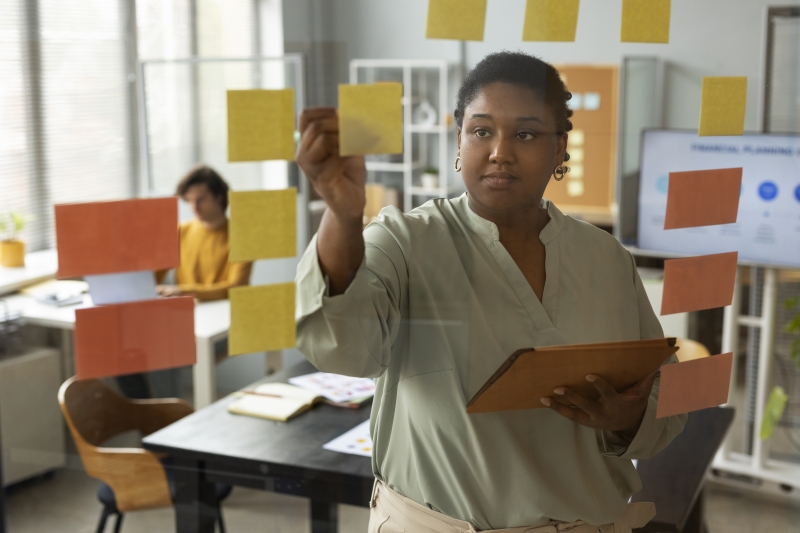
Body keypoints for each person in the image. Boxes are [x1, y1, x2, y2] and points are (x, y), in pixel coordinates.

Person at [294, 52, 686, 533]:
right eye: (481, 131)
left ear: (560, 148)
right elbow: (341, 349)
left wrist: (628, 417)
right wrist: (342, 214)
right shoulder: (403, 241)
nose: (500, 150)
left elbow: (665, 396)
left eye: (525, 133)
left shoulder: (605, 259)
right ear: (458, 140)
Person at [157, 165, 252, 301]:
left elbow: (236, 286)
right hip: (187, 311)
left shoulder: (242, 236)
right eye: (189, 200)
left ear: (218, 197)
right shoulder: (181, 231)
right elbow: (154, 275)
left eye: (200, 200)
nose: (194, 207)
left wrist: (182, 291)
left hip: (226, 312)